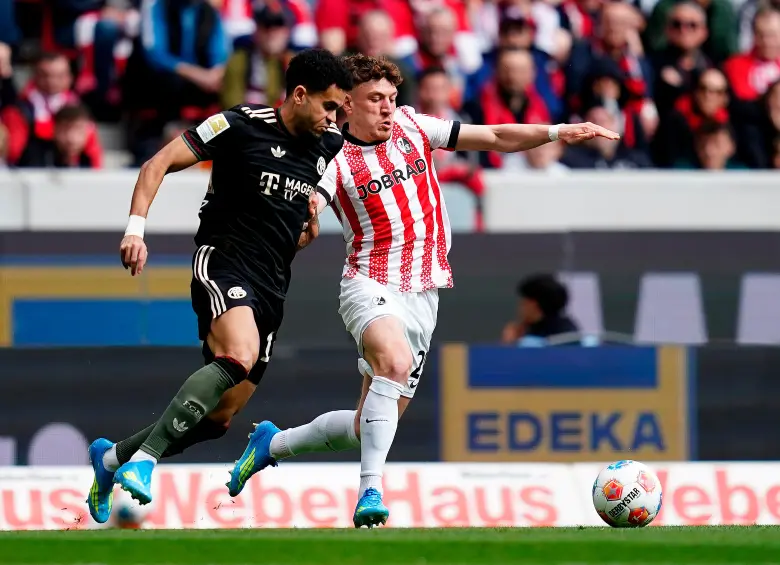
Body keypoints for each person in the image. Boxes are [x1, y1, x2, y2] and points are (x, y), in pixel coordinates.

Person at [226, 54, 620, 528]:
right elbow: (313, 205)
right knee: (393, 363)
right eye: (376, 99)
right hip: (369, 283)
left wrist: (557, 131)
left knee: (366, 423)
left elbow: (493, 136)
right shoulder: (331, 157)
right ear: (346, 104)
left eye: (392, 98)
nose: (388, 108)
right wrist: (306, 216)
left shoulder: (414, 125)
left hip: (424, 293)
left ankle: (272, 443)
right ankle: (370, 491)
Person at [85, 48, 353, 524]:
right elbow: (158, 164)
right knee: (238, 355)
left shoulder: (326, 145)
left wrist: (307, 233)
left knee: (219, 419)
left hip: (273, 284)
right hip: (224, 262)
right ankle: (144, 463)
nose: (334, 119)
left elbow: (298, 233)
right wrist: (135, 230)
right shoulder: (238, 125)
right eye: (329, 106)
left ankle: (110, 460)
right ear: (298, 94)